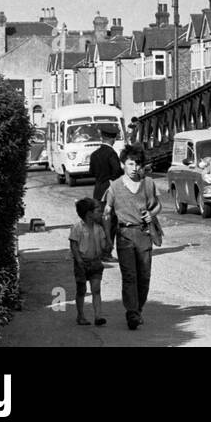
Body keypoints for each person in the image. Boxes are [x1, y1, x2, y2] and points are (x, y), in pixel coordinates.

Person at [102, 146, 161, 330]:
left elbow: (158, 205)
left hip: (143, 234)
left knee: (144, 276)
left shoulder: (148, 183)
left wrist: (152, 214)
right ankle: (131, 313)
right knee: (129, 276)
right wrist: (106, 238)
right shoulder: (114, 187)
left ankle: (138, 309)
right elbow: (107, 213)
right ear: (123, 165)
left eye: (138, 164)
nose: (134, 168)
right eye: (130, 164)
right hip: (124, 235)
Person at [69, 197, 109, 327]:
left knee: (96, 289)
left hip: (96, 262)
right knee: (81, 290)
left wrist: (107, 232)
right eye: (98, 211)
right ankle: (80, 316)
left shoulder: (99, 228)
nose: (101, 213)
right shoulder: (77, 228)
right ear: (89, 214)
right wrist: (79, 260)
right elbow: (74, 245)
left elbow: (105, 246)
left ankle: (98, 316)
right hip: (82, 263)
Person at [89, 127, 122, 263]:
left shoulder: (94, 154)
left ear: (102, 137)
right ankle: (107, 253)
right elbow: (117, 172)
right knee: (111, 223)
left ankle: (97, 251)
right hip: (109, 191)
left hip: (97, 191)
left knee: (98, 222)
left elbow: (91, 172)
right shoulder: (111, 153)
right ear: (113, 139)